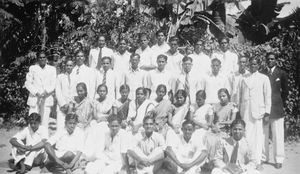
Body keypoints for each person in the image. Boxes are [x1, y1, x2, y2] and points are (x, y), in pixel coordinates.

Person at [239, 56, 271, 168]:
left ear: (258, 65)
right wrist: (240, 111)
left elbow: (267, 96)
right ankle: (247, 159)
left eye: (255, 64)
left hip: (258, 111)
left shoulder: (264, 78)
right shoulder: (244, 78)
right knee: (247, 135)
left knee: (258, 137)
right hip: (246, 111)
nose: (253, 66)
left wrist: (267, 113)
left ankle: (257, 161)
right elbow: (241, 96)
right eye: (251, 64)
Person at [263, 52, 288, 169]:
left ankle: (278, 159)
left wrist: (279, 102)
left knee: (278, 135)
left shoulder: (281, 73)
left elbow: (285, 91)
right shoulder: (263, 73)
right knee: (264, 134)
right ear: (266, 60)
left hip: (277, 108)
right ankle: (264, 157)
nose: (270, 61)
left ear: (275, 60)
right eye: (268, 59)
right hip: (264, 108)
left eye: (272, 59)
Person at [24, 51, 56, 130]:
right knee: (32, 120)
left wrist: (46, 92)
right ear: (38, 59)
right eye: (40, 57)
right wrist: (36, 93)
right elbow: (28, 83)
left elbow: (54, 84)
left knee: (44, 122)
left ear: (46, 58)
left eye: (44, 57)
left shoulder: (52, 69)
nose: (42, 59)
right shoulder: (33, 68)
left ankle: (43, 139)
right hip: (35, 98)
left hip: (46, 98)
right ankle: (31, 139)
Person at [56, 59, 74, 131]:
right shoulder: (60, 77)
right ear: (65, 66)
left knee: (70, 127)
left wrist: (71, 104)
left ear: (73, 66)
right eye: (67, 65)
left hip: (72, 106)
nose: (69, 67)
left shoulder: (77, 77)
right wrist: (63, 104)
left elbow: (77, 92)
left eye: (70, 65)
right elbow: (58, 91)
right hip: (62, 107)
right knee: (60, 126)